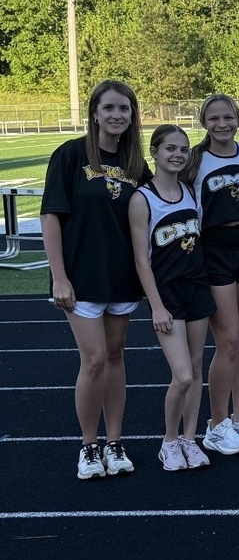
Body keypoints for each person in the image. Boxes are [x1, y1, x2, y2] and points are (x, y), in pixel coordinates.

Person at [41, 80, 150, 480]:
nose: (117, 115)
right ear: (95, 113)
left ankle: (115, 441)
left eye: (124, 109)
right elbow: (51, 216)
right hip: (81, 277)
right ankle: (89, 445)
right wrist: (59, 277)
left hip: (121, 276)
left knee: (117, 356)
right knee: (94, 359)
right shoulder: (70, 155)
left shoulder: (136, 163)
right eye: (109, 108)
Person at [129, 125, 216, 471]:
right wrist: (156, 305)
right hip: (166, 294)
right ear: (154, 152)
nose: (178, 154)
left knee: (195, 369)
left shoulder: (190, 190)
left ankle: (189, 439)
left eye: (183, 149)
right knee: (181, 375)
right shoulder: (142, 198)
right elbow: (140, 259)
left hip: (196, 288)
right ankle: (169, 440)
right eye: (170, 149)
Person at [184, 94, 239, 455]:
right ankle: (216, 424)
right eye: (214, 118)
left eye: (228, 117)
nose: (222, 124)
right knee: (228, 341)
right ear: (204, 122)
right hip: (214, 249)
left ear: (238, 119)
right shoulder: (195, 159)